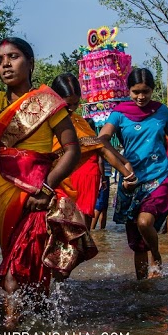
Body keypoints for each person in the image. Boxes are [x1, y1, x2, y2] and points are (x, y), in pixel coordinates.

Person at [0, 37, 90, 328]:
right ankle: (39, 330)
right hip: (1, 190)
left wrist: (46, 188)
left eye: (13, 57)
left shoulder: (49, 102)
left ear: (31, 63)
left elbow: (72, 150)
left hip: (37, 193)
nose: (6, 64)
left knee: (14, 270)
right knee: (19, 260)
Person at [99, 68, 168, 279]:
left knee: (144, 223)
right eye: (136, 92)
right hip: (131, 181)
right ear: (129, 90)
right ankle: (142, 287)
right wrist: (123, 164)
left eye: (146, 91)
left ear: (152, 90)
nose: (141, 97)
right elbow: (102, 139)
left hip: (158, 176)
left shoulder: (161, 111)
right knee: (137, 243)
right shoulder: (120, 113)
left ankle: (158, 255)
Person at [50, 73, 136, 228]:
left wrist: (127, 171)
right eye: (67, 104)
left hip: (85, 179)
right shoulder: (43, 121)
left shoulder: (79, 121)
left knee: (81, 232)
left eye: (75, 104)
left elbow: (101, 147)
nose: (71, 109)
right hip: (56, 180)